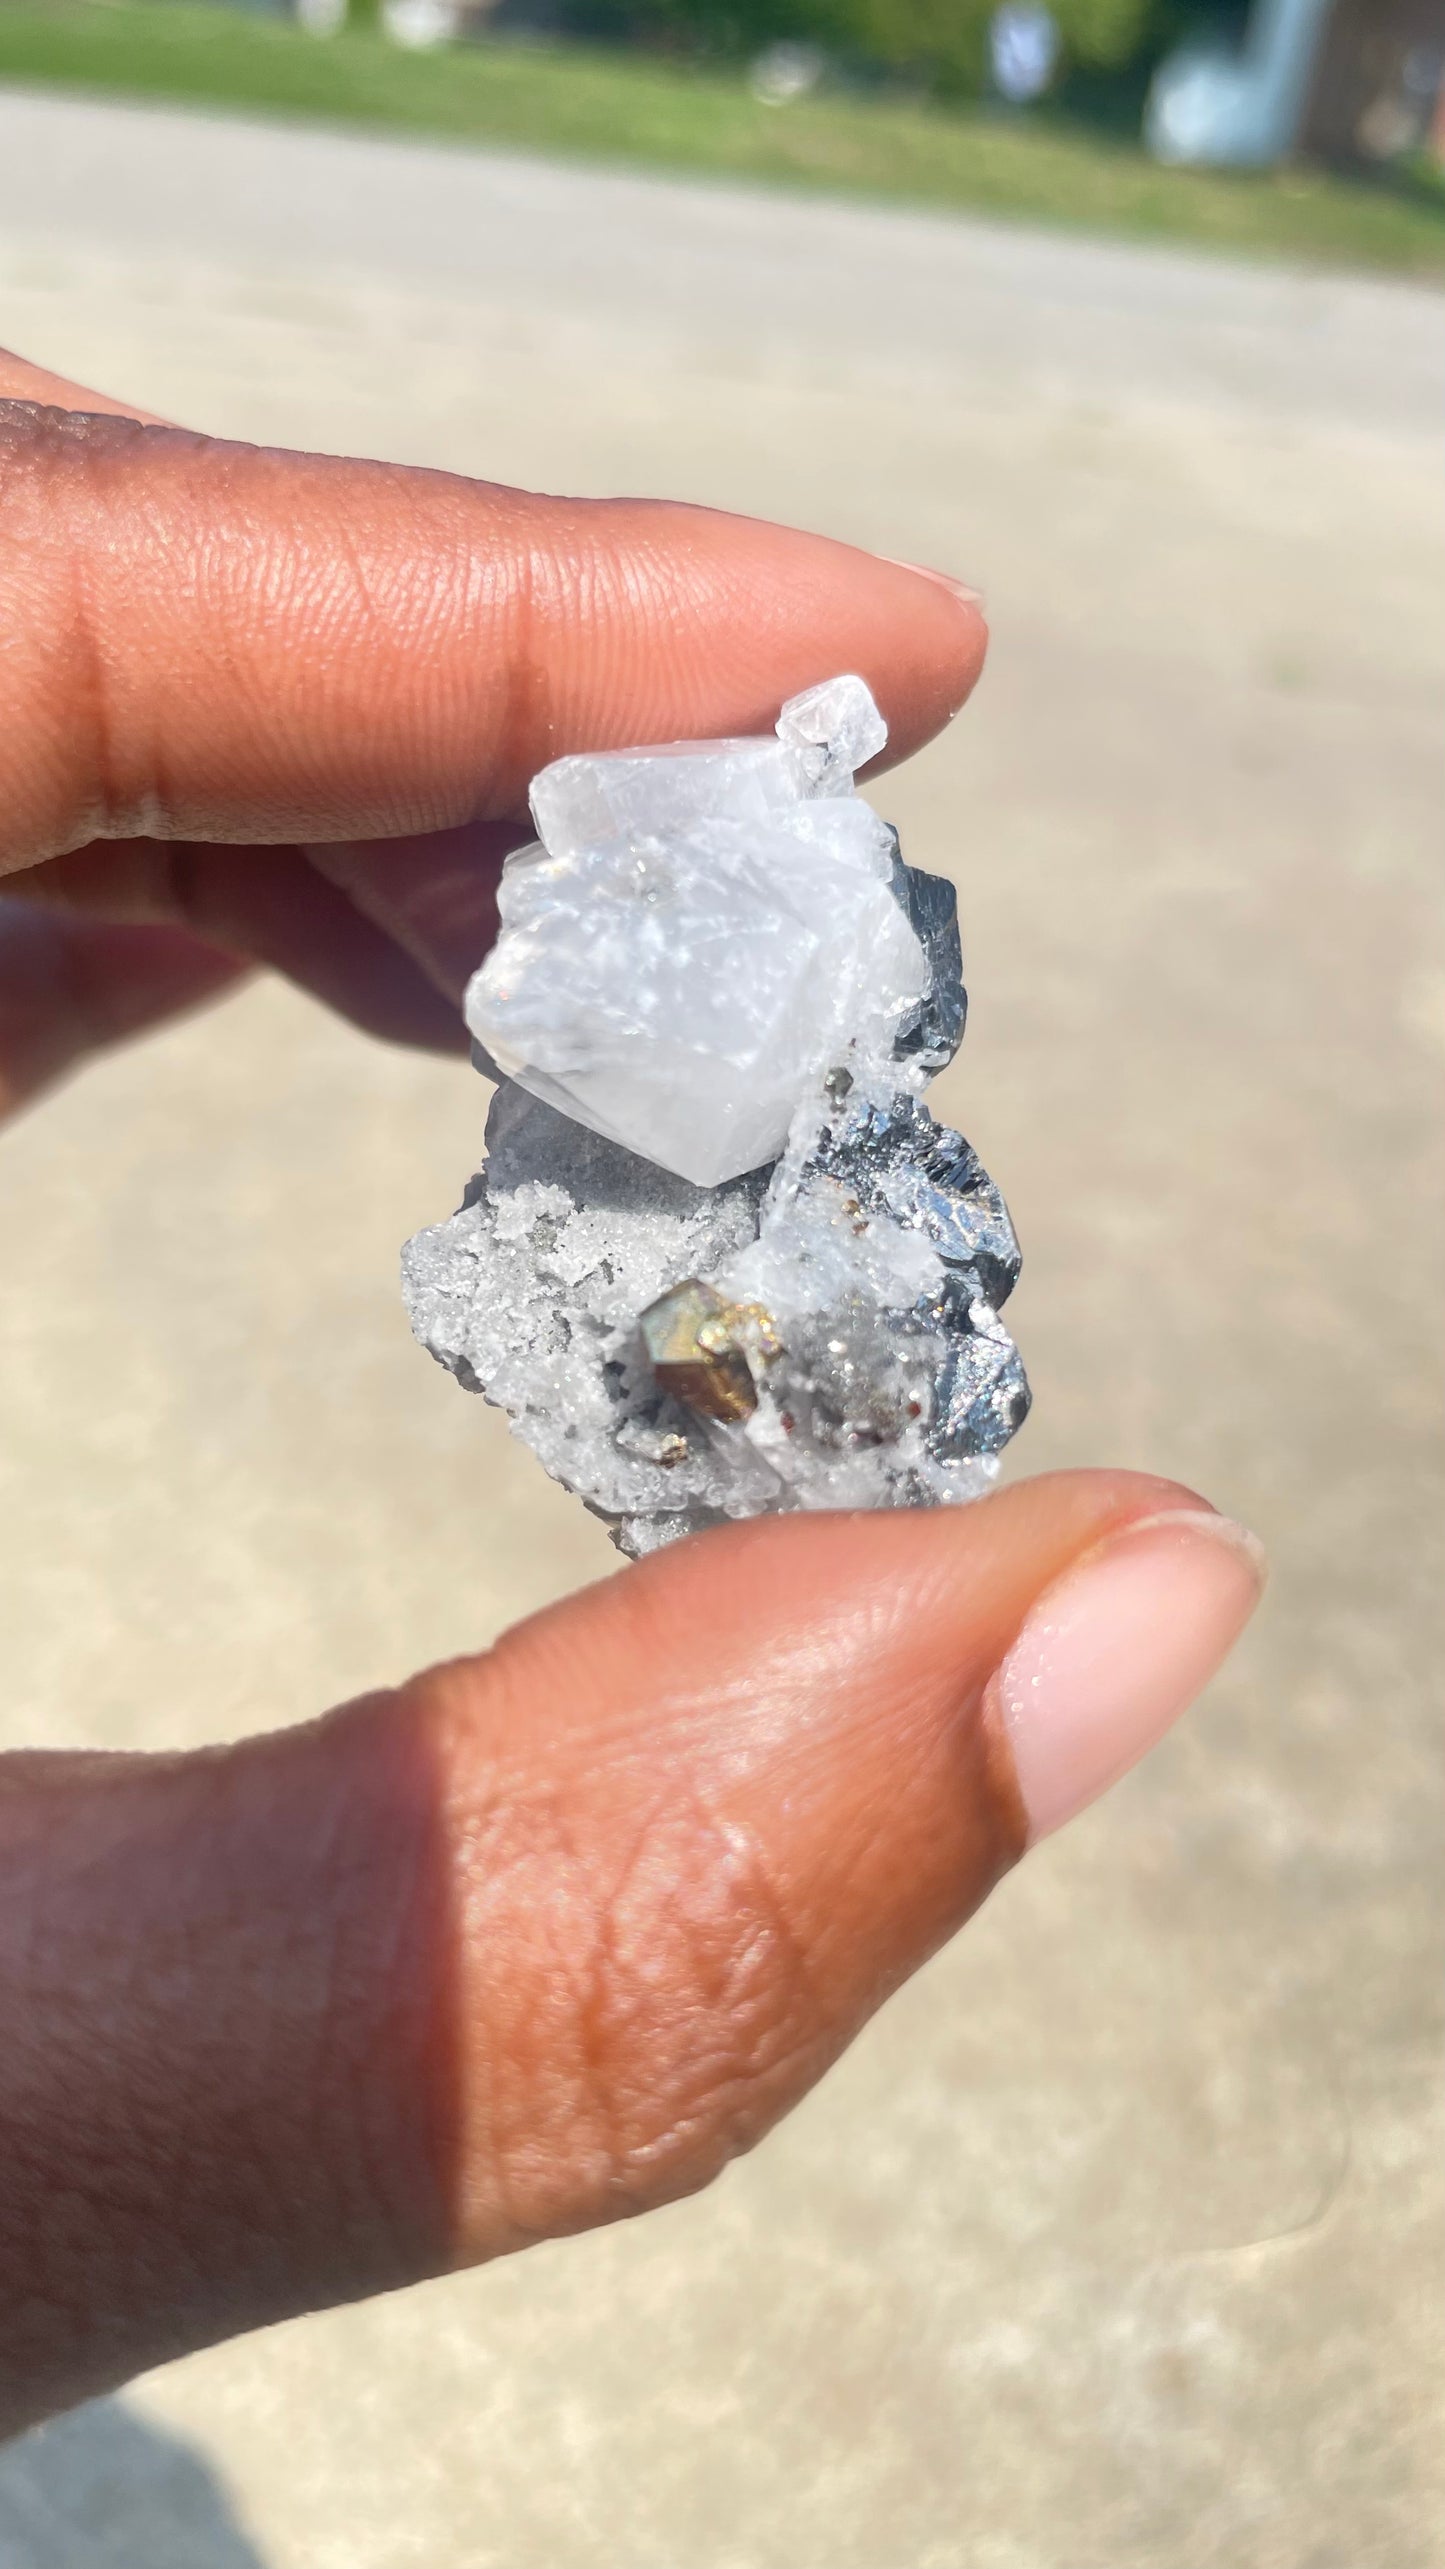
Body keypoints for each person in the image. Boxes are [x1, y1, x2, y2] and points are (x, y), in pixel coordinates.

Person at [0, 354, 1264, 2436]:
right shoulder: (640, 1124)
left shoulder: (775, 1100)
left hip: (762, 1290)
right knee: (685, 1340)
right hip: (706, 1281)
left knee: (735, 1356)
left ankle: (761, 1408)